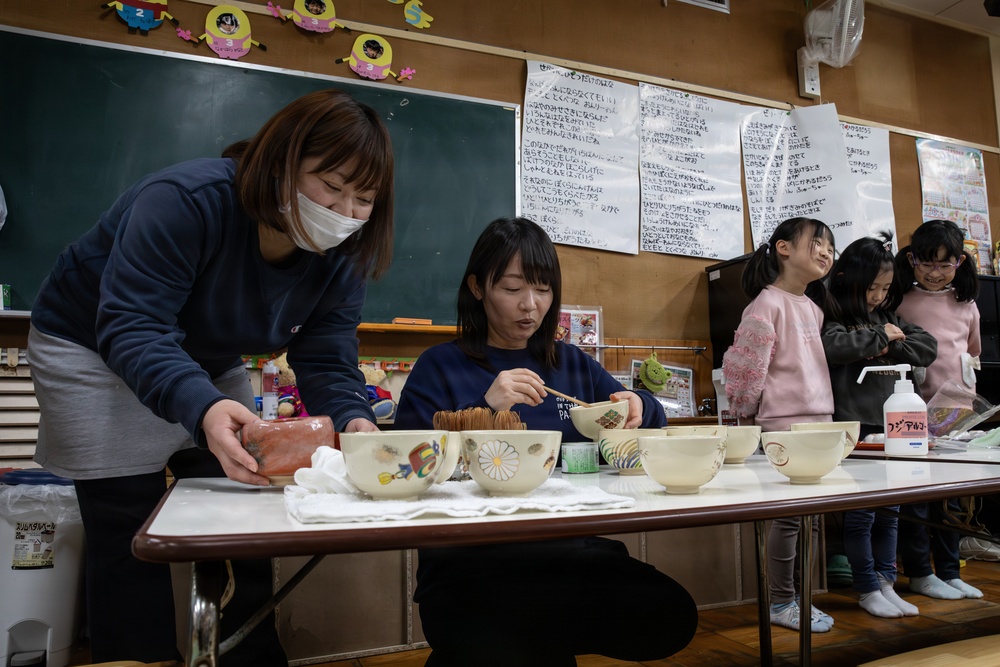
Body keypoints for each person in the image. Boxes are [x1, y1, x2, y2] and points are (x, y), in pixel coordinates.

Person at [28, 89, 394, 665]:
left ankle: (250, 653)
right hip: (93, 345)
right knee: (129, 525)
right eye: (331, 185)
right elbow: (132, 323)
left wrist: (356, 421)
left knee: (246, 503)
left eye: (364, 198)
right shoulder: (185, 200)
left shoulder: (342, 255)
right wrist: (200, 406)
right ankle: (138, 655)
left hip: (205, 354)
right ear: (280, 162)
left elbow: (326, 358)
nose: (345, 212)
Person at [394, 217, 697, 667]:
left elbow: (641, 417)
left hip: (566, 556)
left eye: (543, 289)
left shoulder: (569, 364)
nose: (530, 306)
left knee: (671, 614)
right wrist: (485, 406)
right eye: (513, 288)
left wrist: (638, 404)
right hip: (470, 568)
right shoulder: (441, 365)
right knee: (509, 638)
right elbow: (410, 467)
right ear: (478, 288)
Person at [722, 216, 837, 632]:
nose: (826, 252)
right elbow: (745, 371)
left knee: (812, 518)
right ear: (784, 248)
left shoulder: (813, 307)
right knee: (789, 518)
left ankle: (798, 599)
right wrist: (746, 416)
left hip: (820, 425)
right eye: (818, 243)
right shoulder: (766, 303)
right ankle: (782, 601)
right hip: (783, 427)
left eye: (830, 247)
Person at [822, 232, 936, 618]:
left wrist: (883, 339)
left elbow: (927, 346)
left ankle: (886, 582)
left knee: (891, 513)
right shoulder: (832, 313)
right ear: (848, 279)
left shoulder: (887, 316)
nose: (878, 296)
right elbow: (834, 348)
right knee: (862, 515)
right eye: (872, 287)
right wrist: (879, 338)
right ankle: (867, 587)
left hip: (895, 430)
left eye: (885, 289)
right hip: (856, 429)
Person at [894, 219, 984, 600]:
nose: (934, 272)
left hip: (954, 415)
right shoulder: (900, 301)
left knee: (950, 497)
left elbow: (973, 356)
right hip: (909, 413)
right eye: (926, 263)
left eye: (945, 264)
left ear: (960, 263)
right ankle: (919, 573)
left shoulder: (967, 305)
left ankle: (949, 571)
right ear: (912, 260)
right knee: (916, 498)